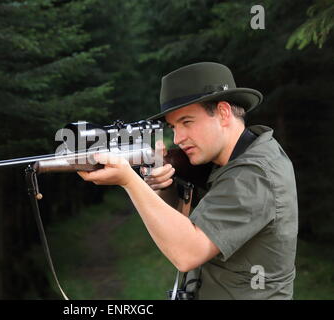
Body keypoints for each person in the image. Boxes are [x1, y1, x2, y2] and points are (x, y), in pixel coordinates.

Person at [78, 62, 298, 300]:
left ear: (223, 113)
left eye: (187, 122)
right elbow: (183, 227)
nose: (178, 138)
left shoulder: (254, 173)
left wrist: (129, 181)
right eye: (173, 127)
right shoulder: (229, 159)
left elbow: (187, 253)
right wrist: (164, 186)